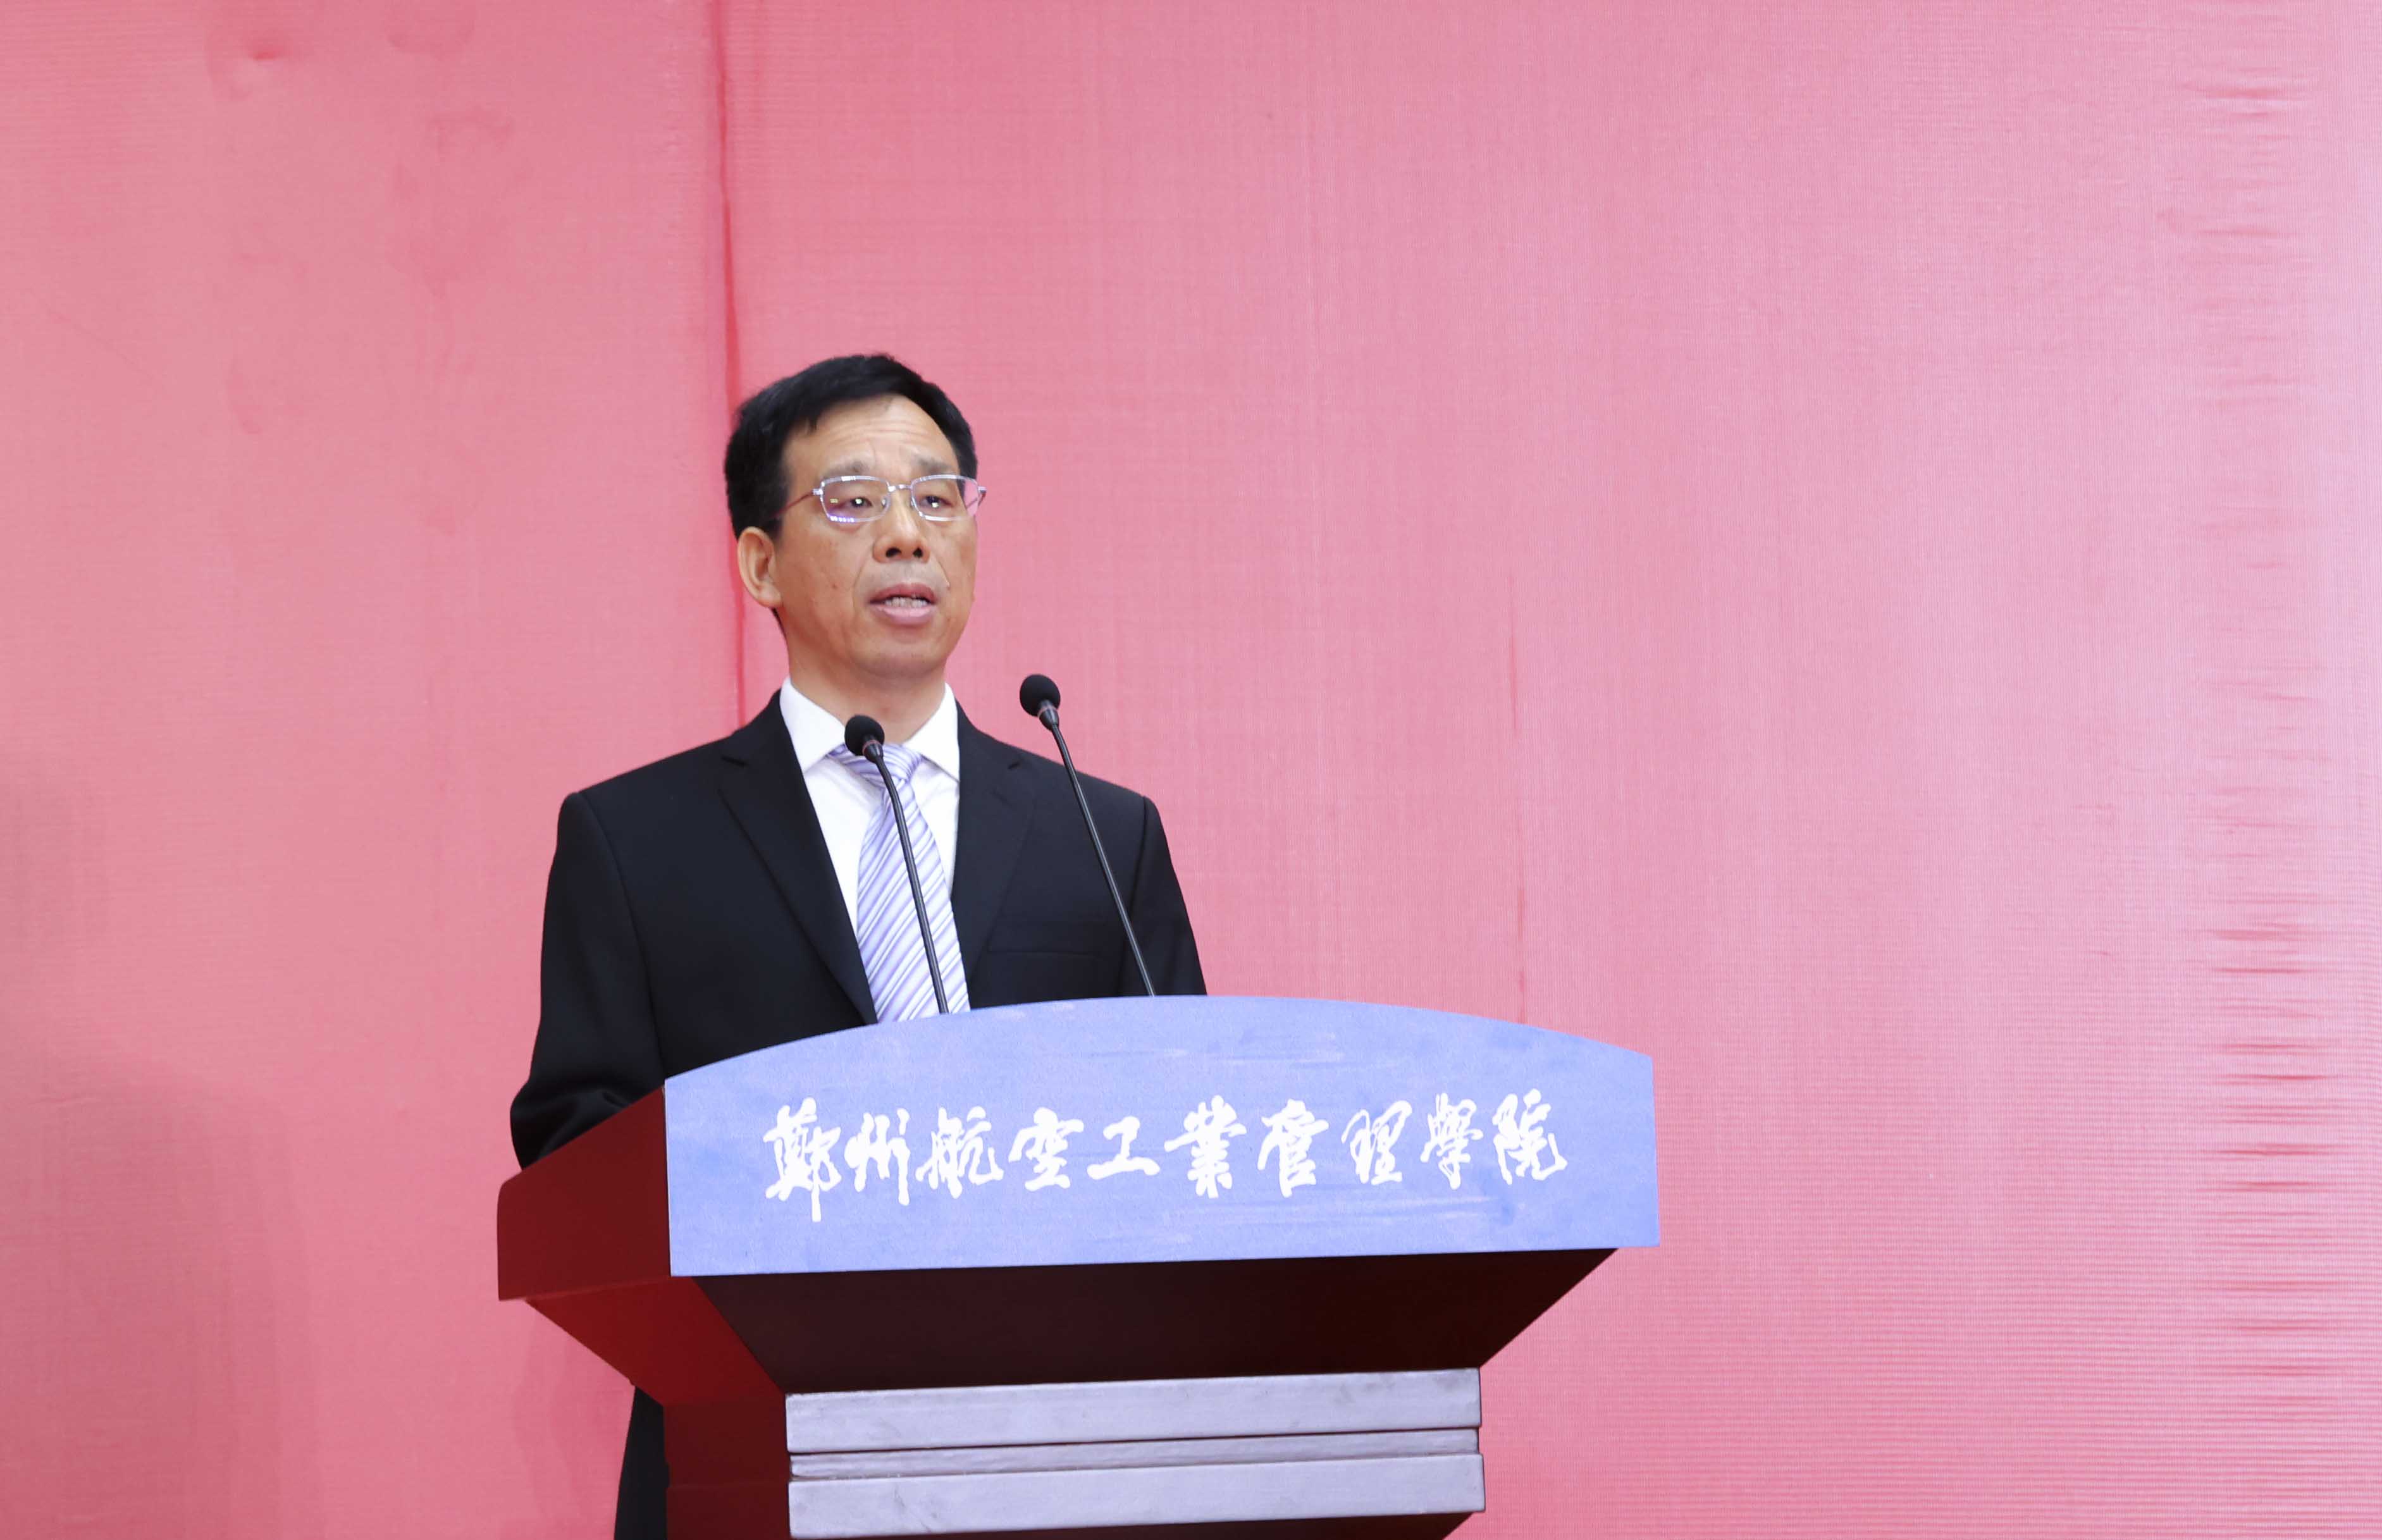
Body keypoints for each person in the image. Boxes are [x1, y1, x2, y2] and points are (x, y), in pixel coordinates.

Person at [509, 354, 1205, 1538]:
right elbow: (576, 1146)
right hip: (749, 1446)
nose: (905, 535)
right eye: (851, 501)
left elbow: (1184, 1123)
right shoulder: (636, 839)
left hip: (1056, 1452)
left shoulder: (1097, 830)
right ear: (759, 564)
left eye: (937, 498)